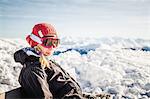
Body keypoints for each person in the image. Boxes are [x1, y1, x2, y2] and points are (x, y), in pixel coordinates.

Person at [14, 23, 83, 99]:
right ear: (36, 43)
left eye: (55, 42)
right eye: (48, 42)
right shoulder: (33, 70)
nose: (52, 47)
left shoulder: (45, 62)